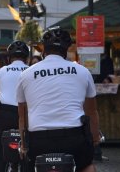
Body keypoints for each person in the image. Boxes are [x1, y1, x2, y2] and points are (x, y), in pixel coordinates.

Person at [16, 26, 100, 172]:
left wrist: (24, 145)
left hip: (39, 140)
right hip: (74, 138)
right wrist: (94, 139)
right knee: (88, 167)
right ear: (66, 50)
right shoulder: (83, 71)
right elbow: (91, 111)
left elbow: (22, 116)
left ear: (43, 50)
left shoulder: (26, 74)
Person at [0, 41, 29, 172]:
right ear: (27, 58)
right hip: (27, 115)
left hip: (5, 116)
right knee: (27, 155)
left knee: (1, 158)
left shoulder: (1, 71)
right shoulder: (31, 71)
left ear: (8, 58)